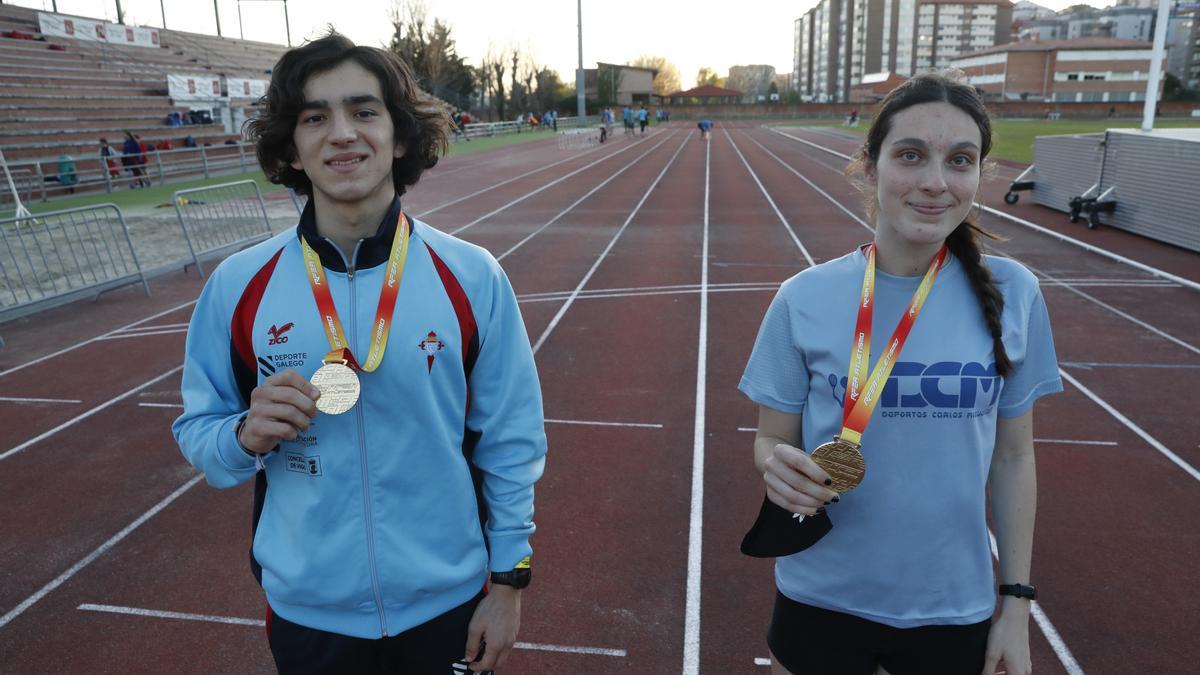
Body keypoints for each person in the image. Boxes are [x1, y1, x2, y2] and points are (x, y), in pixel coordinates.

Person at [172, 32, 547, 675]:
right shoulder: (239, 286)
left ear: (399, 137)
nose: (342, 133)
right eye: (315, 117)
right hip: (308, 615)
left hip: (447, 607)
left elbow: (510, 440)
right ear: (292, 147)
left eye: (363, 111)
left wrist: (509, 583)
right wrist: (243, 435)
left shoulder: (472, 275)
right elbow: (199, 434)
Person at [738, 71, 1062, 675]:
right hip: (819, 596)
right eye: (911, 155)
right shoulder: (803, 297)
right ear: (869, 165)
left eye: (959, 160)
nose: (935, 182)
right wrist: (776, 467)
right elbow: (770, 439)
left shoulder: (1016, 293)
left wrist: (1015, 605)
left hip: (951, 605)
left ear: (978, 175)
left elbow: (1015, 459)